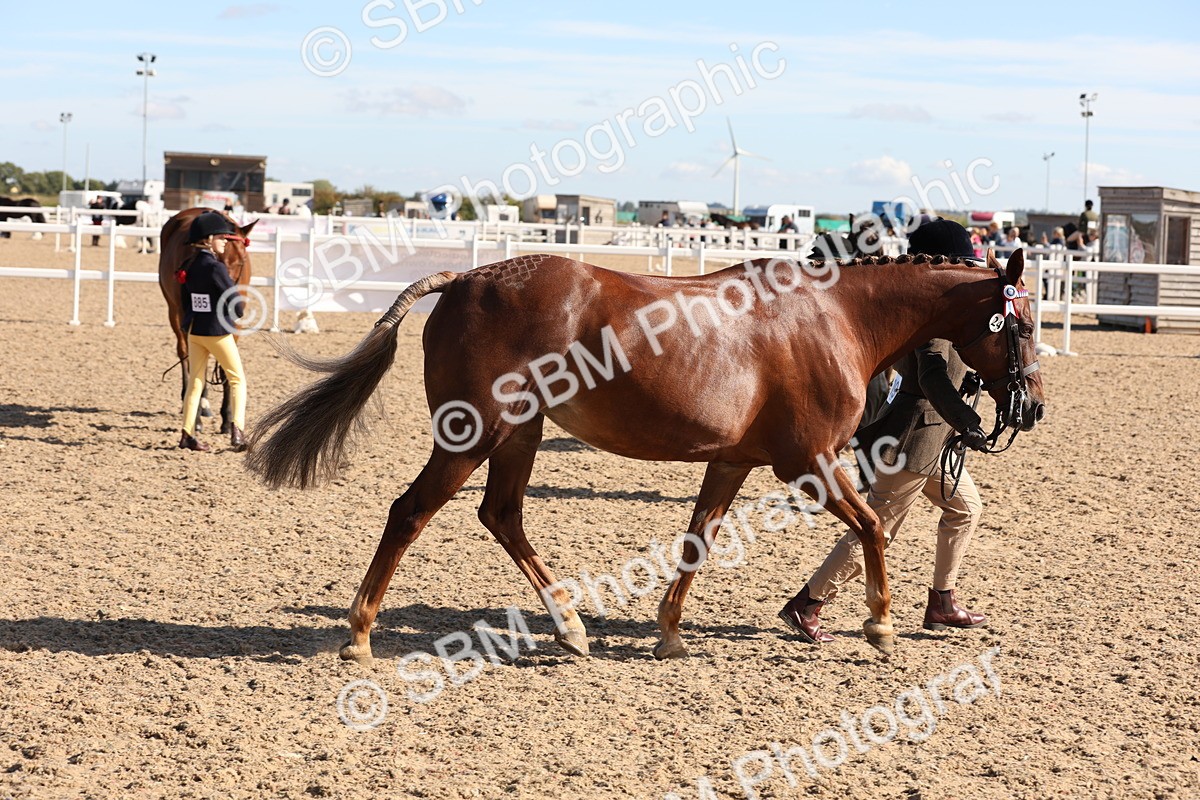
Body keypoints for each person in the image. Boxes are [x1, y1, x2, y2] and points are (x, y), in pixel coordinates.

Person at [780, 218, 992, 644]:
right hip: (914, 438)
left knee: (966, 509)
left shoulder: (942, 309)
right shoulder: (929, 313)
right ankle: (807, 604)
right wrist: (965, 419)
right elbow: (931, 374)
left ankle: (942, 602)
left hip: (933, 440)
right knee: (878, 528)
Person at [177, 211, 248, 453]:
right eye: (221, 238)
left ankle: (187, 434)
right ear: (208, 239)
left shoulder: (188, 265)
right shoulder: (216, 267)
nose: (226, 242)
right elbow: (235, 302)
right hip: (217, 332)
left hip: (195, 332)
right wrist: (235, 313)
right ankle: (237, 430)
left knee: (195, 383)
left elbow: (184, 301)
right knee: (237, 379)